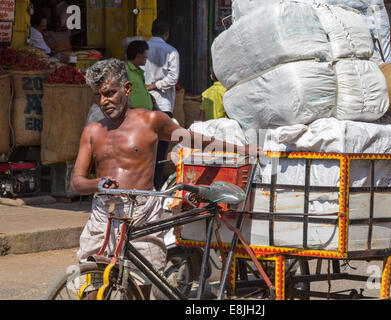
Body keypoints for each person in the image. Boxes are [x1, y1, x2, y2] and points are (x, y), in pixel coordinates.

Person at [72, 59, 257, 299]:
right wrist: (96, 184)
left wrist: (239, 149)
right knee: (91, 282)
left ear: (127, 89)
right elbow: (77, 181)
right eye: (99, 96)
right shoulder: (92, 131)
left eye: (109, 93)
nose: (104, 101)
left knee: (142, 281)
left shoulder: (151, 121)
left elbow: (192, 139)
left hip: (141, 211)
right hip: (103, 213)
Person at [143, 18, 180, 190]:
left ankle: (142, 187)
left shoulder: (142, 50)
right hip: (163, 105)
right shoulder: (171, 51)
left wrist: (149, 86)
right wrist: (156, 85)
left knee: (143, 149)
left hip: (143, 103)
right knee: (159, 152)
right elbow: (173, 78)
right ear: (166, 34)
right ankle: (156, 188)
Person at [126, 40, 153, 110]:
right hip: (135, 114)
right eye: (145, 55)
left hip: (145, 113)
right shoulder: (126, 71)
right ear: (138, 56)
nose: (146, 58)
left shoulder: (138, 71)